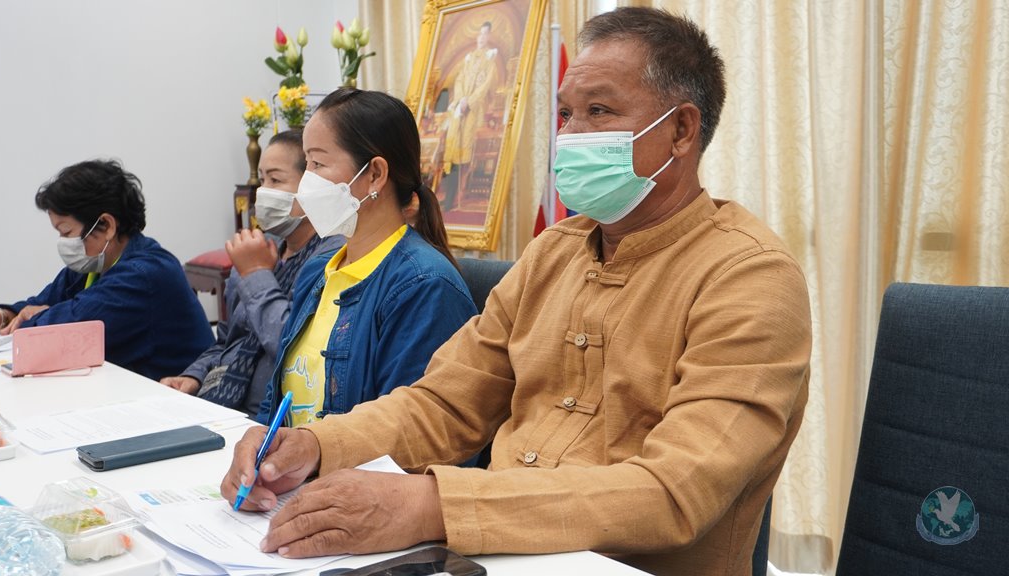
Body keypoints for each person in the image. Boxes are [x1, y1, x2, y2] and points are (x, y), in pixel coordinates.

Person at [221, 8, 811, 575]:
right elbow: (446, 403)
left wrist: (432, 505)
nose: (570, 136)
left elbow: (674, 492)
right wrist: (315, 445)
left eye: (598, 111)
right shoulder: (554, 252)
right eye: (565, 114)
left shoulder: (750, 278)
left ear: (681, 130)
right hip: (484, 557)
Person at [254, 87, 477, 426]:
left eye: (318, 163)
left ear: (374, 174)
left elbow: (409, 431)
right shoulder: (318, 271)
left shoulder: (424, 287)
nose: (306, 182)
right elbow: (277, 394)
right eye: (306, 164)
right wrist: (260, 438)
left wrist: (313, 451)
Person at [159, 130, 344, 417]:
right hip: (222, 400)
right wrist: (194, 376)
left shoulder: (333, 257)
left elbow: (294, 346)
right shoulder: (263, 249)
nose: (263, 192)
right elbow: (227, 341)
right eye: (262, 180)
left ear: (313, 187)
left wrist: (256, 274)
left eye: (276, 180)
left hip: (272, 417)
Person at [0, 160, 213, 381]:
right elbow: (36, 306)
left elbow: (58, 333)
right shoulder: (92, 265)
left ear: (107, 225)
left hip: (178, 397)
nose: (63, 242)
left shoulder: (143, 275)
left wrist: (36, 316)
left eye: (66, 232)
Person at [438, 20, 499, 211]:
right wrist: (460, 99)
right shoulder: (469, 58)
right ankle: (449, 197)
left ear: (489, 36)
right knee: (452, 150)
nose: (481, 37)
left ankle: (458, 196)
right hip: (459, 109)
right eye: (480, 33)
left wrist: (469, 102)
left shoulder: (490, 61)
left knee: (465, 153)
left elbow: (485, 86)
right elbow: (459, 80)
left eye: (485, 34)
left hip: (472, 112)